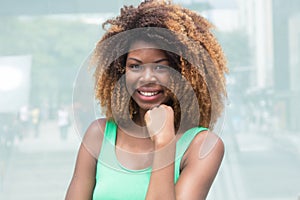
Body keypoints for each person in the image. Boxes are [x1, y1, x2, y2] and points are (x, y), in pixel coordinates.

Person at [66, 0, 228, 199]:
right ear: (120, 72)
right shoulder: (99, 136)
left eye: (161, 67)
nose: (147, 78)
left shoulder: (202, 146)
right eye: (135, 66)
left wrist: (164, 142)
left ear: (185, 73)